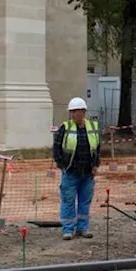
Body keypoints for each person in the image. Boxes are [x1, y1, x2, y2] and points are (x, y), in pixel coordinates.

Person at [53, 97, 100, 241]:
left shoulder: (92, 127)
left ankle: (82, 228)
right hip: (70, 172)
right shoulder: (65, 127)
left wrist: (95, 165)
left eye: (77, 111)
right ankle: (68, 229)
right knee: (68, 201)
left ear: (83, 112)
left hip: (87, 172)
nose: (74, 114)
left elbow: (97, 148)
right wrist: (62, 165)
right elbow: (57, 148)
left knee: (85, 201)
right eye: (72, 112)